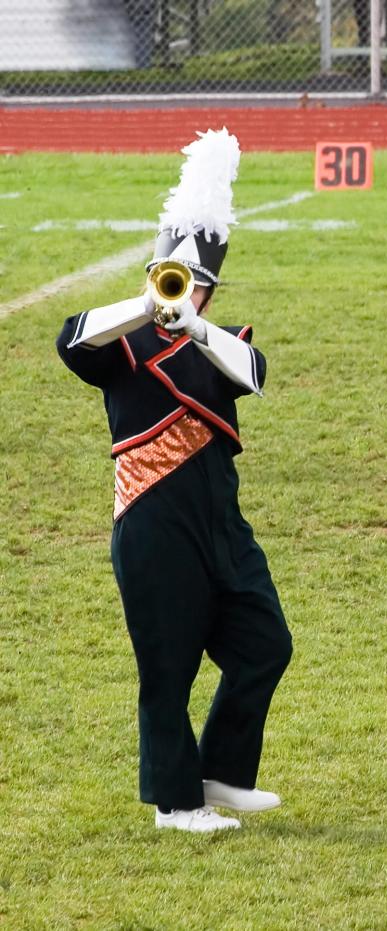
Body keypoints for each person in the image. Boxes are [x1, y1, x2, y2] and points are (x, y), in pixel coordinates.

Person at [55, 129, 292, 832]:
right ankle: (175, 803)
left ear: (211, 292)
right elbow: (71, 337)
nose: (184, 289)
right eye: (172, 275)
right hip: (154, 524)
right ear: (154, 269)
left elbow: (255, 374)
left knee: (265, 642)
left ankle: (217, 774)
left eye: (198, 284)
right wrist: (147, 305)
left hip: (222, 522)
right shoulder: (119, 344)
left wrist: (192, 326)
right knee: (169, 667)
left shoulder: (224, 345)